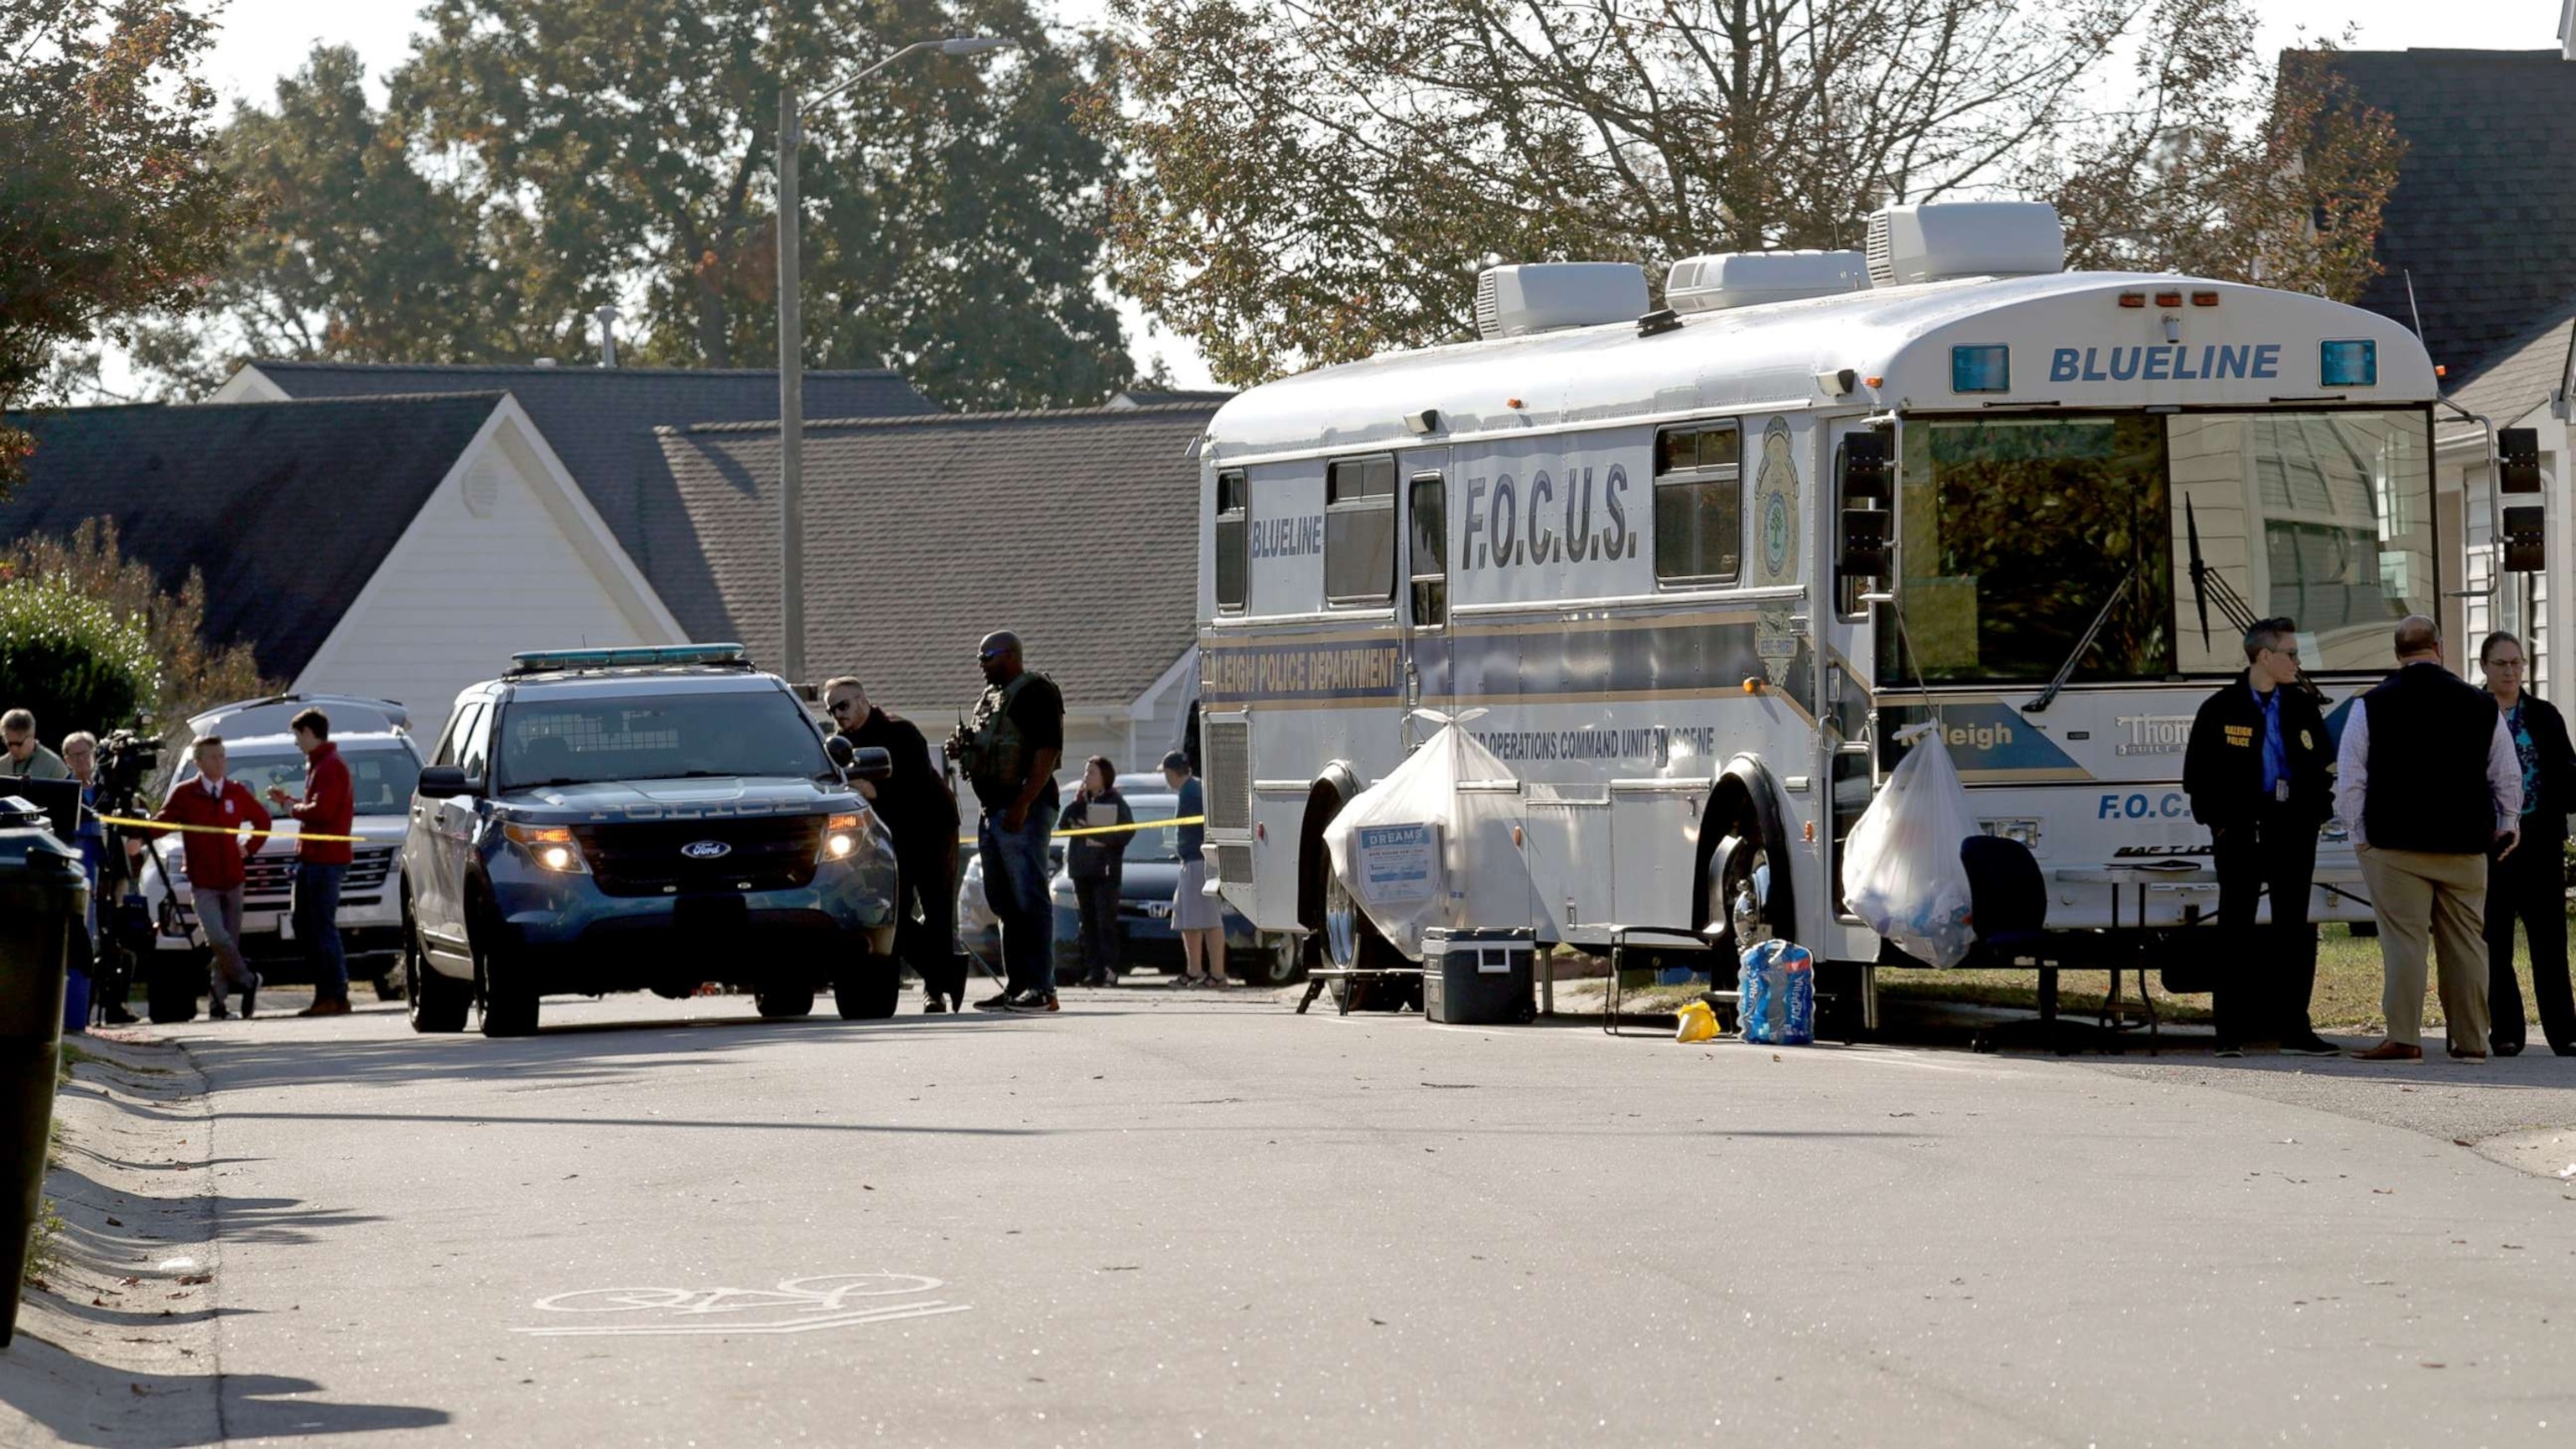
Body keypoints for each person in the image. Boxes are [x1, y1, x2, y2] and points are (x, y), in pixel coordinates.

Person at [2336, 616, 2522, 1063]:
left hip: (2394, 844)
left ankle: (2404, 1036)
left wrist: (2359, 835)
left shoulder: (2370, 706)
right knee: (2467, 944)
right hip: (2465, 844)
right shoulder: (2481, 705)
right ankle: (2472, 1040)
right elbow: (2506, 773)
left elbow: (2351, 780)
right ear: (2438, 648)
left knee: (2405, 943)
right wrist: (2508, 823)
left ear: (2398, 653)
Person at [2181, 618, 2340, 1058]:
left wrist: (2313, 815)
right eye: (2290, 654)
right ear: (2264, 657)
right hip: (2241, 834)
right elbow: (2197, 777)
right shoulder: (2221, 708)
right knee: (2236, 930)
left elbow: (2323, 765)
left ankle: (2296, 1030)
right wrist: (2223, 825)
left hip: (2291, 831)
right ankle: (2228, 1031)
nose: (2297, 662)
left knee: (2294, 931)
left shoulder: (2302, 706)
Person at [824, 676, 964, 1013]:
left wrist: (875, 790)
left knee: (937, 908)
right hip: (890, 835)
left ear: (862, 699)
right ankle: (945, 973)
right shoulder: (842, 745)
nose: (837, 714)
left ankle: (936, 991)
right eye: (831, 709)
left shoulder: (901, 732)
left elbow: (917, 787)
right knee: (893, 912)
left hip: (931, 829)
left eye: (842, 705)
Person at [944, 631, 1065, 1013]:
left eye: (988, 656)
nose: (981, 663)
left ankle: (1043, 990)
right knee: (1005, 903)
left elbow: (1047, 752)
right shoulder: (992, 698)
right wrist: (963, 747)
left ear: (1011, 655)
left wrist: (1022, 805)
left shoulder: (1036, 692)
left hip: (1023, 811)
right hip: (992, 810)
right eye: (979, 657)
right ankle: (1018, 987)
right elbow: (991, 745)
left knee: (1029, 898)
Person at [2477, 631, 2576, 1057]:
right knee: (2494, 940)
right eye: (2502, 664)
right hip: (2492, 843)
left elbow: (2567, 771)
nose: (2511, 671)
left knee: (2549, 941)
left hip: (2540, 839)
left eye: (2517, 663)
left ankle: (2564, 1030)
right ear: (2484, 667)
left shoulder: (2543, 714)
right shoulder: (2474, 712)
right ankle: (2506, 1031)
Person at [136, 737, 272, 1021]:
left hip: (233, 878)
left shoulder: (236, 792)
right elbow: (164, 821)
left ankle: (217, 1005)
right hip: (202, 880)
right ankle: (248, 981)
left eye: (222, 756)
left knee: (229, 942)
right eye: (212, 757)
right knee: (218, 938)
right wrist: (138, 829)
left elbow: (263, 821)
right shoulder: (186, 793)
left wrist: (248, 847)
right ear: (198, 762)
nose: (220, 762)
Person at [266, 708, 355, 1019]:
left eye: (297, 736)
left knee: (320, 927)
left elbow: (323, 811)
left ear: (308, 732)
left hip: (325, 859)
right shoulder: (321, 765)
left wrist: (291, 806)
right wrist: (291, 803)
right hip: (313, 857)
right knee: (305, 924)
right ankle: (327, 992)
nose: (296, 743)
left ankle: (335, 993)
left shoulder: (329, 766)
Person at [1060, 756, 1134, 989]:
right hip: (1081, 870)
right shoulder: (1079, 802)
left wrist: (1097, 834)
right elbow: (1064, 825)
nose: (1087, 776)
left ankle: (1110, 969)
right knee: (1087, 923)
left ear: (1104, 776)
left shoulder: (1116, 802)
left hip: (1106, 871)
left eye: (1092, 772)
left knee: (1105, 922)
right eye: (1086, 772)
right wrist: (1077, 812)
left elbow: (1126, 833)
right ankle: (1094, 970)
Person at [1163, 750, 1228, 988]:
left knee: (1209, 920)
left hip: (1198, 862)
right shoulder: (1193, 788)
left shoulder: (1190, 792)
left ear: (1171, 773)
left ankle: (1217, 974)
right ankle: (1195, 970)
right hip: (1191, 861)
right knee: (1187, 920)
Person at [3, 708, 71, 781]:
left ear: (32, 737)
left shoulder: (54, 767)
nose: (14, 749)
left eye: (19, 744)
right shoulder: (2, 765)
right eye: (9, 743)